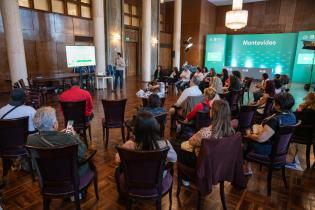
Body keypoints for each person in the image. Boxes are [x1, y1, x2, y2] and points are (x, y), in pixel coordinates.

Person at [27, 107, 91, 178]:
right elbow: (82, 152)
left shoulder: (30, 139)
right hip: (69, 175)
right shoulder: (67, 137)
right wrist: (74, 136)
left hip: (46, 176)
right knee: (87, 164)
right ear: (54, 124)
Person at [244, 92, 296, 175]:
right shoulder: (292, 116)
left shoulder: (275, 120)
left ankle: (247, 169)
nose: (273, 103)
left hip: (269, 150)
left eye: (274, 102)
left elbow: (260, 139)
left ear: (278, 105)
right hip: (281, 149)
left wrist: (249, 135)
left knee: (244, 140)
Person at [287, 92, 315, 171]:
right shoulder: (310, 110)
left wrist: (299, 111)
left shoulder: (309, 111)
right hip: (308, 134)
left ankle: (288, 158)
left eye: (306, 99)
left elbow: (299, 120)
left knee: (285, 131)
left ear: (311, 100)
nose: (304, 100)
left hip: (303, 134)